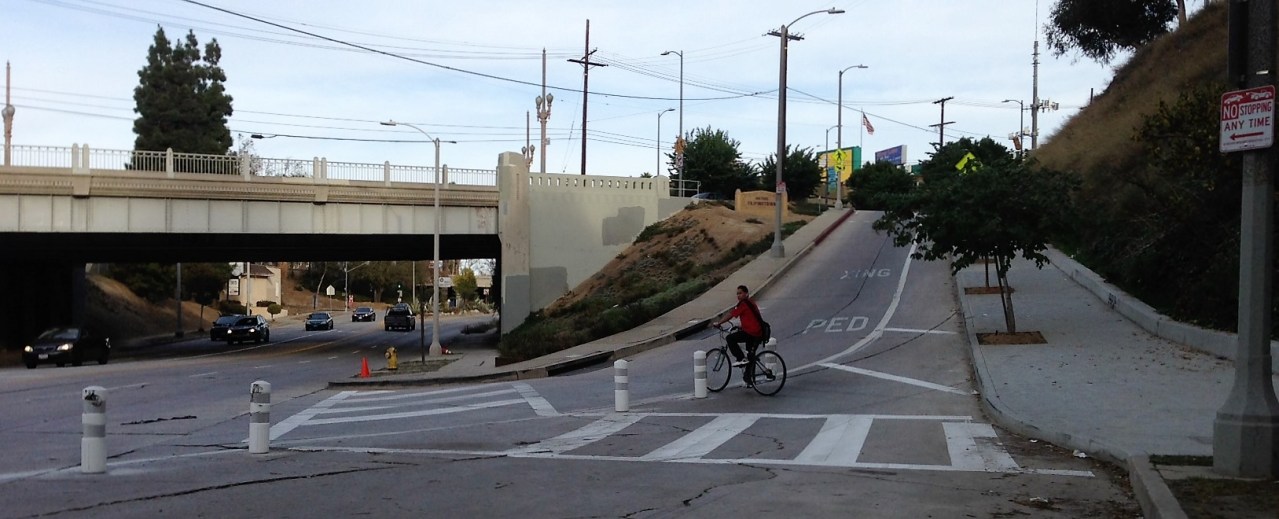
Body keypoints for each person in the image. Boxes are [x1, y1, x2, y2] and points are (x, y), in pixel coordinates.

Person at [713, 285, 766, 367]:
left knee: (730, 338)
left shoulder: (743, 304)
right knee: (750, 357)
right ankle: (749, 377)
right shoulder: (750, 302)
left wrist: (719, 323)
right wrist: (741, 327)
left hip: (752, 332)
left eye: (740, 293)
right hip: (757, 332)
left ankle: (740, 358)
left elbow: (731, 314)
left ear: (746, 293)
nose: (738, 295)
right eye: (737, 294)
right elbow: (750, 318)